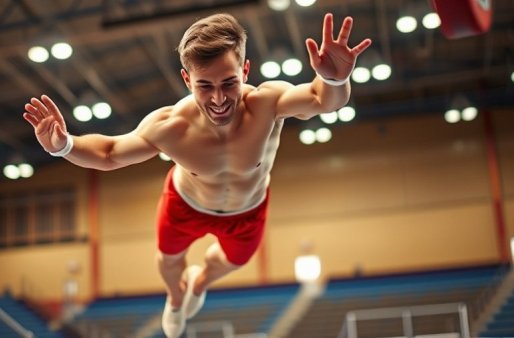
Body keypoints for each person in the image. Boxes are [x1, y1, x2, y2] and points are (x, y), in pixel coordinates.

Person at [23, 12, 370, 338]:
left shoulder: (267, 103)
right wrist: (64, 145)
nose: (219, 99)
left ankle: (200, 283)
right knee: (168, 261)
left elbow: (322, 100)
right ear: (187, 79)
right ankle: (176, 297)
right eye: (205, 86)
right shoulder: (171, 126)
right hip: (185, 203)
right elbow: (111, 153)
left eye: (229, 83)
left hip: (247, 211)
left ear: (245, 71)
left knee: (231, 262)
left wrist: (333, 78)